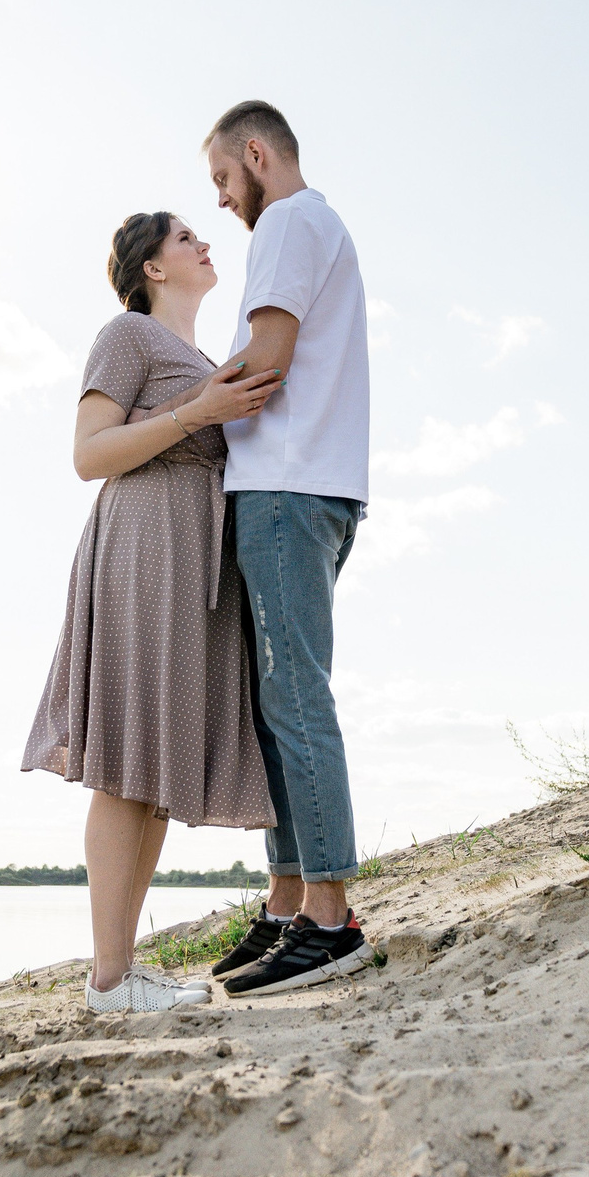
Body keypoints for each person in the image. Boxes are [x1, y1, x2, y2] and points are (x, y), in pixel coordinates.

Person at [22, 212, 283, 1013]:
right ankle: (108, 979)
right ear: (152, 267)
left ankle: (122, 970)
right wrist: (194, 414)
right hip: (142, 540)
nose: (204, 243)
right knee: (128, 756)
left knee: (156, 769)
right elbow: (88, 455)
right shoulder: (127, 335)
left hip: (196, 554)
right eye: (184, 237)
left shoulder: (202, 355)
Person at [194, 101, 378, 998]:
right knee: (280, 700)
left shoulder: (291, 221)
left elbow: (265, 363)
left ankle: (331, 918)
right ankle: (289, 902)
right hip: (311, 486)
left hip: (289, 487)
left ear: (257, 155)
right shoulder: (316, 227)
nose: (226, 203)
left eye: (225, 180)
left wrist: (176, 414)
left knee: (295, 696)